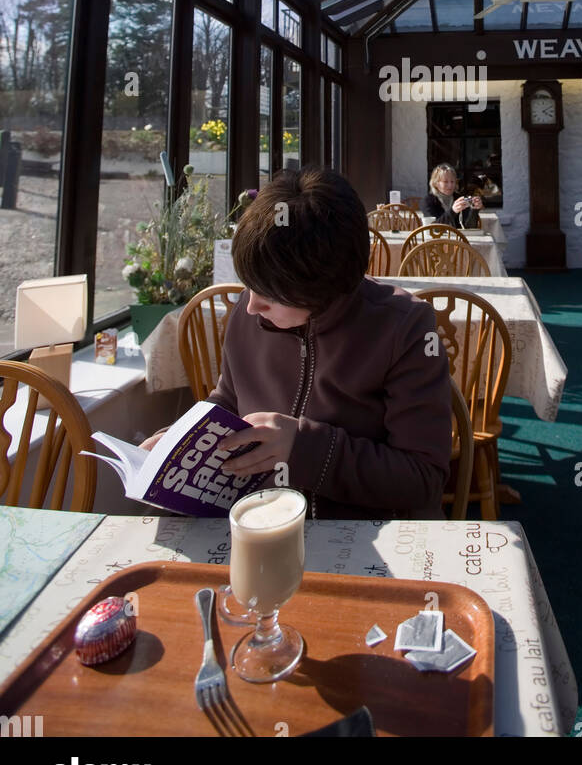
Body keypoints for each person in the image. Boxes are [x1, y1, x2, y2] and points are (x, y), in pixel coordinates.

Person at [140, 167, 452, 520]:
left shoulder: (405, 328)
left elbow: (424, 479)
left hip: (365, 537)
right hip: (262, 523)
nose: (252, 304)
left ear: (325, 289)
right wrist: (183, 442)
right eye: (249, 285)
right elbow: (229, 399)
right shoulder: (249, 309)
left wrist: (303, 448)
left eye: (271, 295)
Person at [422, 163, 483, 229]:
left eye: (452, 181)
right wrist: (453, 211)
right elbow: (434, 228)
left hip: (457, 238)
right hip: (437, 239)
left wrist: (474, 210)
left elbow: (470, 227)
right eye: (445, 182)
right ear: (436, 183)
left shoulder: (459, 198)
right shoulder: (428, 201)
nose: (450, 185)